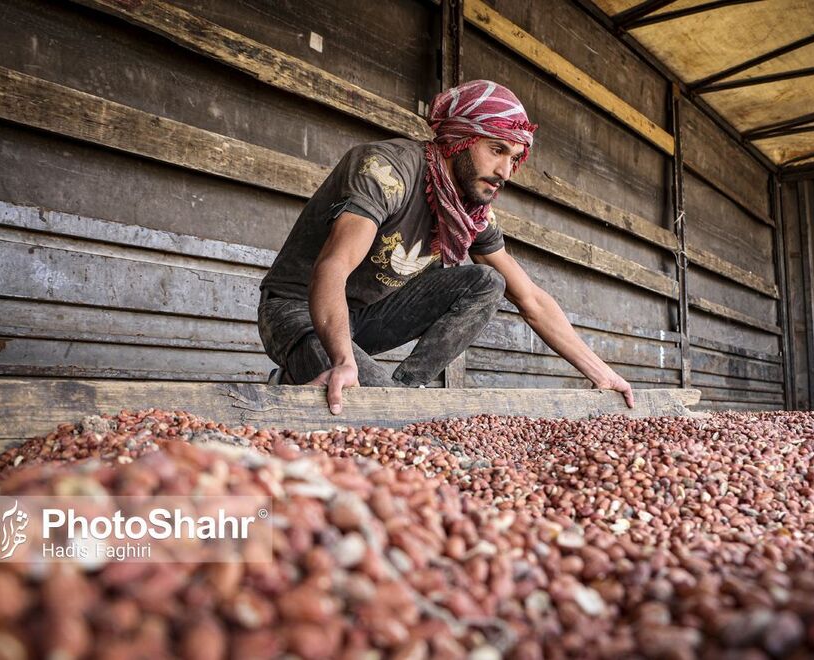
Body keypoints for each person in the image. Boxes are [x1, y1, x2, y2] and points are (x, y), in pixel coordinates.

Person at [258, 80, 634, 414]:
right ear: (460, 141)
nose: (505, 171)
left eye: (514, 158)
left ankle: (404, 392)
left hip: (366, 317)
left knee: (486, 281)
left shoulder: (471, 212)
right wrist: (343, 360)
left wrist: (603, 373)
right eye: (496, 150)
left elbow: (531, 299)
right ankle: (330, 373)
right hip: (298, 310)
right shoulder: (387, 170)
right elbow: (333, 267)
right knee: (380, 410)